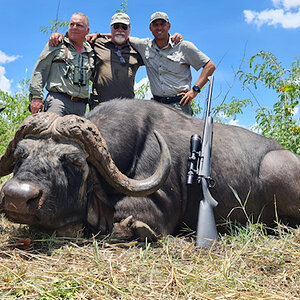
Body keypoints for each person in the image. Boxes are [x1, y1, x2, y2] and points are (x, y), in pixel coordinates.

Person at [49, 13, 182, 109]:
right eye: (116, 26)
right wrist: (59, 35)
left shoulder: (137, 50)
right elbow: (75, 38)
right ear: (111, 28)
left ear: (129, 30)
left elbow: (159, 52)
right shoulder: (97, 43)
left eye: (124, 27)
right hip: (99, 106)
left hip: (126, 108)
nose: (120, 30)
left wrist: (172, 38)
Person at [129, 12, 216, 115]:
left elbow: (210, 66)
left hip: (179, 105)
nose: (159, 28)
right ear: (150, 28)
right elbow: (122, 36)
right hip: (156, 106)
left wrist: (195, 90)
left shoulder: (183, 47)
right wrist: (105, 36)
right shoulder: (144, 45)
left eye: (162, 24)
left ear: (169, 26)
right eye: (155, 25)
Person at [29, 12, 94, 116]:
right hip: (58, 101)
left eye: (79, 25)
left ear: (87, 31)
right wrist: (36, 97)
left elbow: (118, 38)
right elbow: (40, 69)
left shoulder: (91, 51)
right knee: (51, 131)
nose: (74, 27)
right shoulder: (56, 43)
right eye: (72, 24)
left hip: (81, 106)